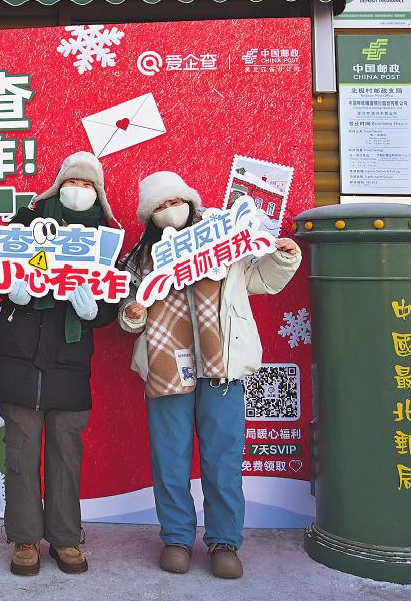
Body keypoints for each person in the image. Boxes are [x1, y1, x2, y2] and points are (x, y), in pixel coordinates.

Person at [118, 171, 301, 580]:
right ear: (149, 216)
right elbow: (128, 315)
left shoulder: (223, 239)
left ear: (190, 202)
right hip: (166, 368)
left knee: (223, 459)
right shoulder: (140, 258)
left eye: (175, 202)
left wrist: (283, 258)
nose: (170, 211)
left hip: (223, 367)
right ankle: (176, 538)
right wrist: (132, 315)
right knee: (169, 458)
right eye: (160, 207)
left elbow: (259, 278)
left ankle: (224, 542)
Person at [0, 152, 121, 577]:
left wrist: (92, 310)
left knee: (66, 452)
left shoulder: (106, 238)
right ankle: (24, 538)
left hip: (70, 361)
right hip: (19, 358)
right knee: (21, 452)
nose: (78, 190)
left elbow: (113, 298)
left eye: (87, 184)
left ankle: (65, 538)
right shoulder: (27, 222)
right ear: (57, 186)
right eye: (72, 182)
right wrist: (13, 288)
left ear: (98, 193)